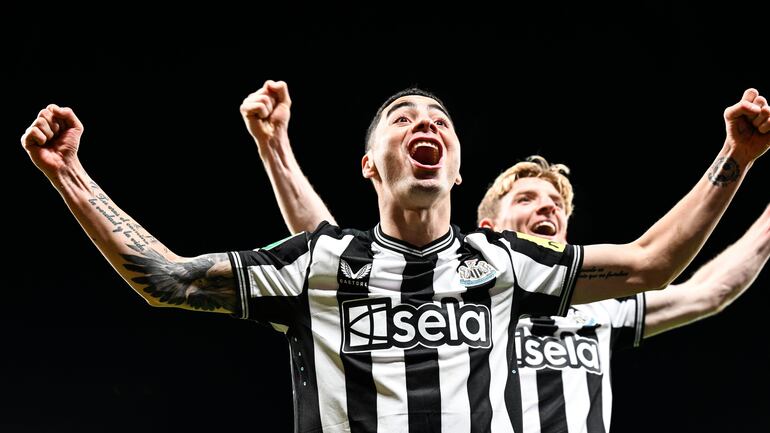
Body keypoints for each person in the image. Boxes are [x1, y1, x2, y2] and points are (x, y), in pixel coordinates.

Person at [21, 81, 769, 433]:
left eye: (441, 120)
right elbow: (167, 279)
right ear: (370, 166)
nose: (426, 124)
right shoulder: (322, 262)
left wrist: (734, 155)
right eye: (402, 118)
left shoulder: (504, 265)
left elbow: (649, 265)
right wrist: (70, 175)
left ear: (457, 165)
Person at [245, 82, 770, 432]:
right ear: (490, 228)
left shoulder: (595, 310)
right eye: (527, 199)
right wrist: (276, 151)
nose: (548, 211)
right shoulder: (477, 286)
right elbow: (335, 262)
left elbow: (701, 285)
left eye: (557, 205)